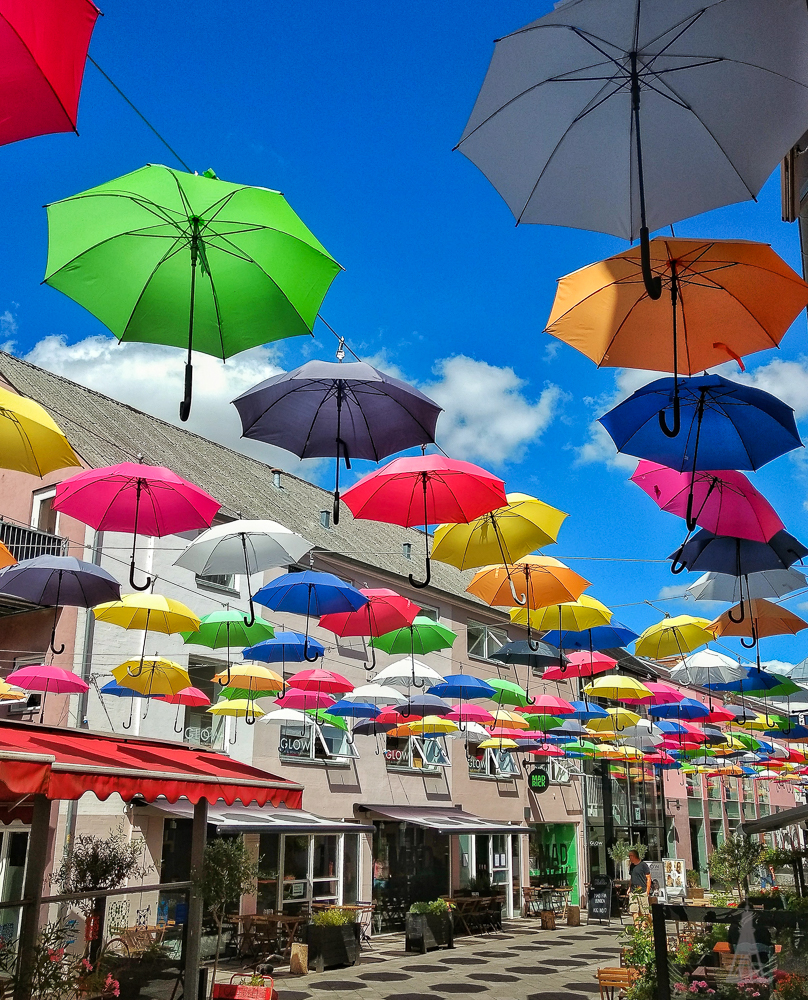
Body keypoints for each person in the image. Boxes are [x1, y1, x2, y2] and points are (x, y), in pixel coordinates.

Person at [628, 848, 652, 926]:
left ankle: (649, 925)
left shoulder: (643, 865)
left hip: (642, 891)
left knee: (645, 912)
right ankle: (637, 929)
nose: (629, 857)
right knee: (634, 911)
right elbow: (632, 878)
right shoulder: (632, 866)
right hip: (633, 891)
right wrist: (629, 888)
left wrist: (647, 891)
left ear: (635, 856)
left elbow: (648, 878)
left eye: (630, 856)